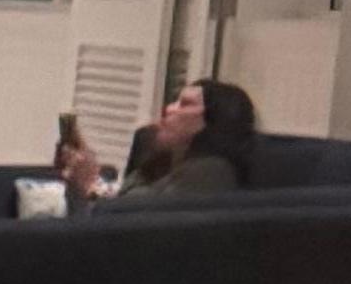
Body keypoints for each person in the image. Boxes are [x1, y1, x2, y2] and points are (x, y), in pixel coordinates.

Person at [59, 73, 263, 206]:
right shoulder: (164, 159)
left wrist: (85, 186)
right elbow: (121, 197)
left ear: (213, 121)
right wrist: (90, 178)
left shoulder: (211, 172)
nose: (169, 109)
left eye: (185, 104)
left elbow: (129, 225)